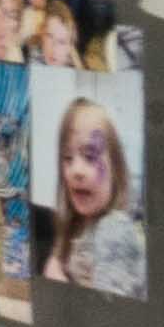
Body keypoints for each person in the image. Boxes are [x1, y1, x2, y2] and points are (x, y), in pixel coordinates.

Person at [46, 92, 146, 296]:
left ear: (116, 169)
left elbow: (106, 313)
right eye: (67, 157)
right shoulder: (78, 222)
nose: (76, 170)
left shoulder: (114, 229)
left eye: (90, 156)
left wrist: (57, 281)